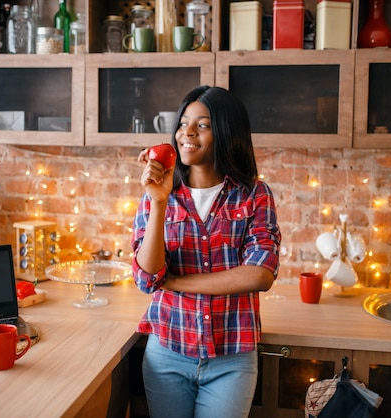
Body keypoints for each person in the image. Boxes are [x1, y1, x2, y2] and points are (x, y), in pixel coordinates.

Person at [131, 85, 281, 418]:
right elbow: (146, 277)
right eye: (184, 123)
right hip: (167, 352)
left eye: (203, 125)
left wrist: (177, 282)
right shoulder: (159, 193)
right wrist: (158, 201)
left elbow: (260, 273)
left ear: (227, 132)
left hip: (232, 358)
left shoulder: (253, 194)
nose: (188, 132)